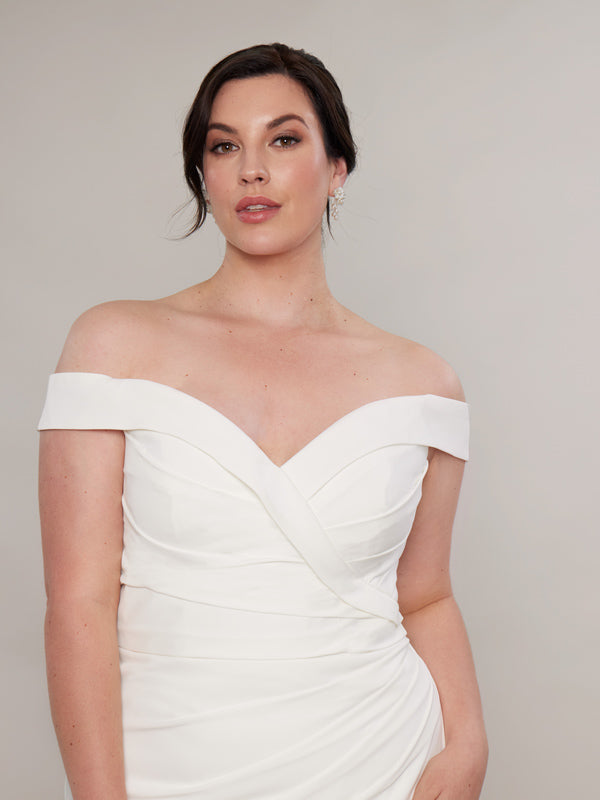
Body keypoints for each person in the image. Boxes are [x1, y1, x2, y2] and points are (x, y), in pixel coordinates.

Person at [37, 43, 488, 800]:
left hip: (385, 761)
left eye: (284, 139)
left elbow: (426, 594)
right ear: (203, 175)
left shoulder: (423, 382)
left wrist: (469, 742)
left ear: (337, 166)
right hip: (167, 767)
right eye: (224, 145)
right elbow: (78, 603)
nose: (252, 168)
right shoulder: (112, 346)